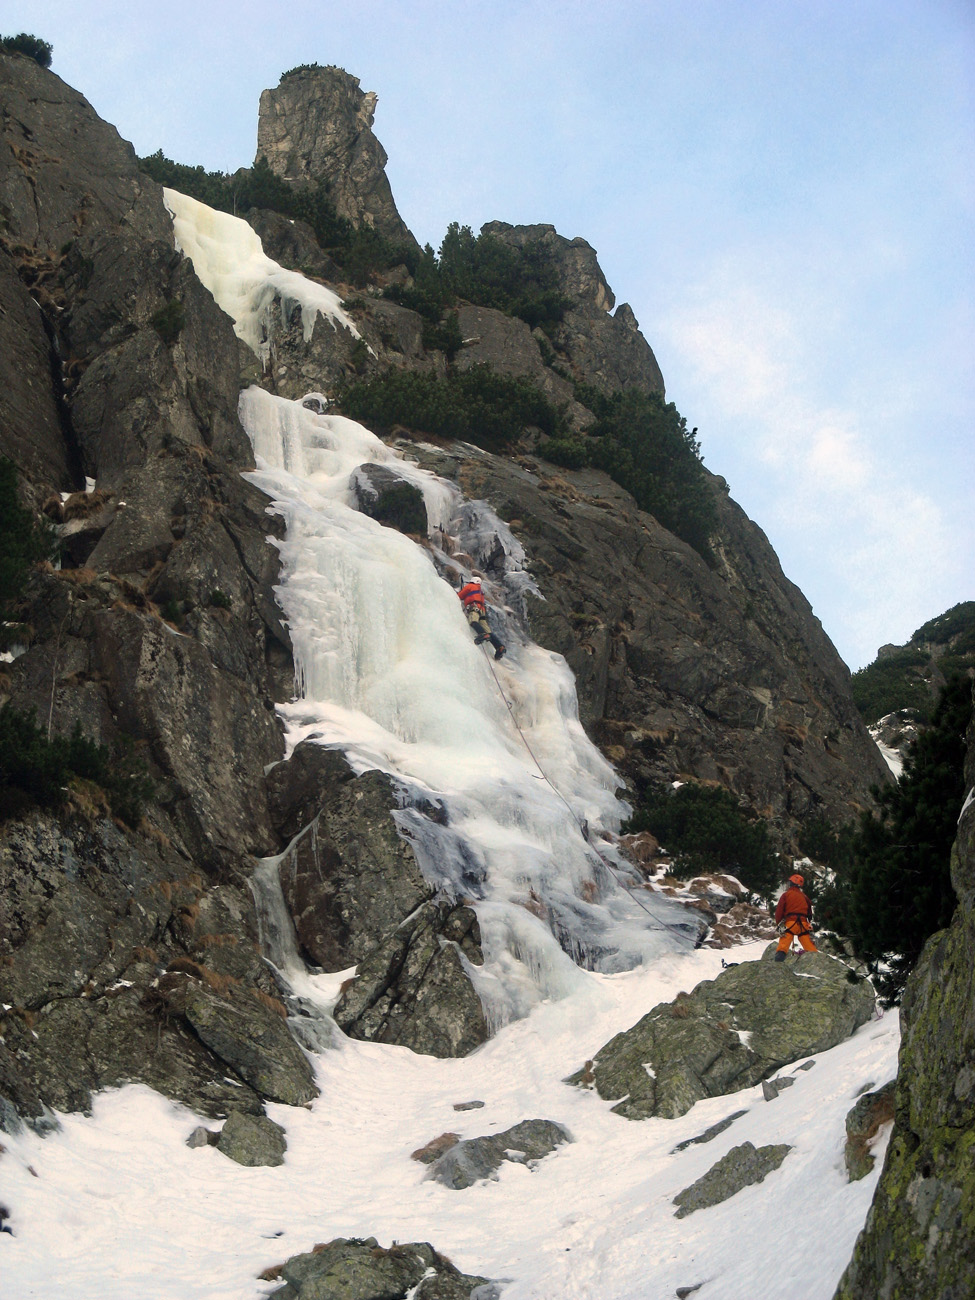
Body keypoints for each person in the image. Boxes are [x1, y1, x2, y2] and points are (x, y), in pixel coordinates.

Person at [457, 576, 506, 660]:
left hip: (474, 607)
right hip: (482, 610)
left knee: (473, 621)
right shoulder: (480, 591)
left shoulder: (470, 586)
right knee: (488, 630)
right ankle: (499, 646)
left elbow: (460, 595)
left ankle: (482, 634)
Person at [773, 873, 817, 960]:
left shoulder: (786, 895)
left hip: (790, 923)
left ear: (791, 883)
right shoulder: (804, 897)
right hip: (803, 925)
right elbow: (810, 913)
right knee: (811, 949)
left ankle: (777, 964)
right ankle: (818, 963)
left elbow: (779, 911)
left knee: (783, 947)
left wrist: (779, 923)